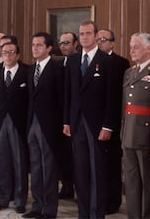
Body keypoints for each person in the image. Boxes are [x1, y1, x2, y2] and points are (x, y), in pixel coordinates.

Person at [63, 20, 113, 218]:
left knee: (97, 171)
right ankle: (83, 212)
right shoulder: (73, 60)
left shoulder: (106, 60)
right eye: (81, 33)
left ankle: (96, 213)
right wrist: (66, 121)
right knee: (81, 170)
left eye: (88, 33)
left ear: (96, 36)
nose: (84, 37)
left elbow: (111, 97)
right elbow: (69, 93)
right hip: (76, 123)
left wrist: (108, 125)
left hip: (97, 124)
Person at [121, 33, 150, 218]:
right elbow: (125, 107)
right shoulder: (129, 72)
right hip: (128, 134)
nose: (132, 50)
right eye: (131, 46)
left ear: (149, 48)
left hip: (147, 136)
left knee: (149, 183)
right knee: (130, 182)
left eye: (136, 46)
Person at [23, 32, 64, 219]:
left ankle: (49, 208)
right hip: (32, 123)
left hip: (49, 126)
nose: (35, 48)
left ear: (48, 48)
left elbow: (62, 100)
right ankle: (37, 205)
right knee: (36, 167)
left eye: (39, 45)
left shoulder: (57, 69)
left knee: (49, 168)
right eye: (33, 45)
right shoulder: (31, 69)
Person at [0, 41, 29, 214]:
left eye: (11, 52)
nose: (8, 55)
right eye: (4, 52)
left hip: (19, 124)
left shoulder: (26, 72)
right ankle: (3, 198)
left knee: (19, 163)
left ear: (18, 55)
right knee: (2, 162)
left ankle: (20, 200)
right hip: (0, 124)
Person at [96, 29, 130, 214]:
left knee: (111, 165)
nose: (100, 42)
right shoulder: (93, 61)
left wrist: (110, 123)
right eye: (98, 39)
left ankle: (112, 201)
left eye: (104, 39)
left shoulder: (120, 62)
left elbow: (117, 95)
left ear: (113, 43)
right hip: (94, 121)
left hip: (113, 121)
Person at [56, 32, 78, 200]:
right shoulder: (58, 63)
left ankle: (78, 188)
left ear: (75, 44)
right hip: (58, 117)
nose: (63, 46)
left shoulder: (78, 62)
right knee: (62, 154)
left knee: (75, 156)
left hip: (74, 118)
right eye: (61, 43)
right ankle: (67, 185)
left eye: (67, 42)